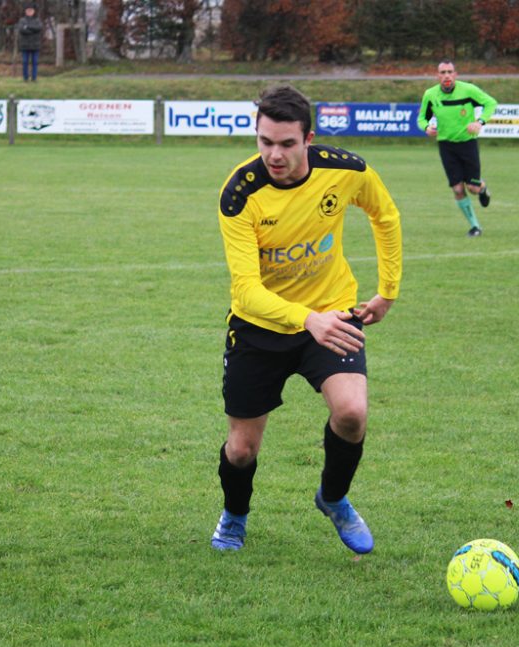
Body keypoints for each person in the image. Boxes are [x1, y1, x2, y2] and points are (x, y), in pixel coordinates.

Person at [212, 85, 403, 554]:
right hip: (260, 329)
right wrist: (305, 319)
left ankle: (334, 498)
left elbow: (386, 215)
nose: (273, 155)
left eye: (286, 144)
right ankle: (235, 516)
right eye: (264, 142)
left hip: (334, 315)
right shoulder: (239, 194)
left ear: (308, 139)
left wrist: (387, 291)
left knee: (353, 413)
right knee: (241, 450)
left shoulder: (347, 170)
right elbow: (246, 292)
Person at [417, 59, 497, 237]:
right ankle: (475, 226)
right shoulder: (430, 95)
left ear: (455, 75)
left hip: (467, 144)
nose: (446, 75)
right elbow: (421, 118)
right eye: (443, 72)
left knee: (472, 188)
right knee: (457, 189)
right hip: (446, 146)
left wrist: (479, 121)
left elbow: (491, 103)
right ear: (438, 76)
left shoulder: (468, 90)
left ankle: (482, 188)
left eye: (449, 72)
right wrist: (426, 128)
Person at [16, 3, 43, 82]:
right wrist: (33, 30)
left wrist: (27, 27)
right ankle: (25, 78)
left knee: (35, 63)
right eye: (28, 10)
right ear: (25, 11)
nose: (29, 12)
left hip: (35, 45)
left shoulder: (37, 20)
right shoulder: (22, 20)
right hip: (25, 45)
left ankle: (34, 78)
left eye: (31, 10)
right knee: (25, 62)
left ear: (34, 11)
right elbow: (21, 30)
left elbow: (39, 28)